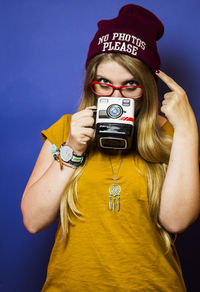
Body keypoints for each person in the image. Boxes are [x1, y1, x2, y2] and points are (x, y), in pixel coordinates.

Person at [21, 4, 200, 291]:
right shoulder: (66, 131)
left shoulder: (172, 134)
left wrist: (187, 131)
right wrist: (72, 149)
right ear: (90, 82)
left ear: (148, 86)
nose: (115, 97)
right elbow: (32, 220)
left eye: (130, 86)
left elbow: (176, 220)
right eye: (104, 83)